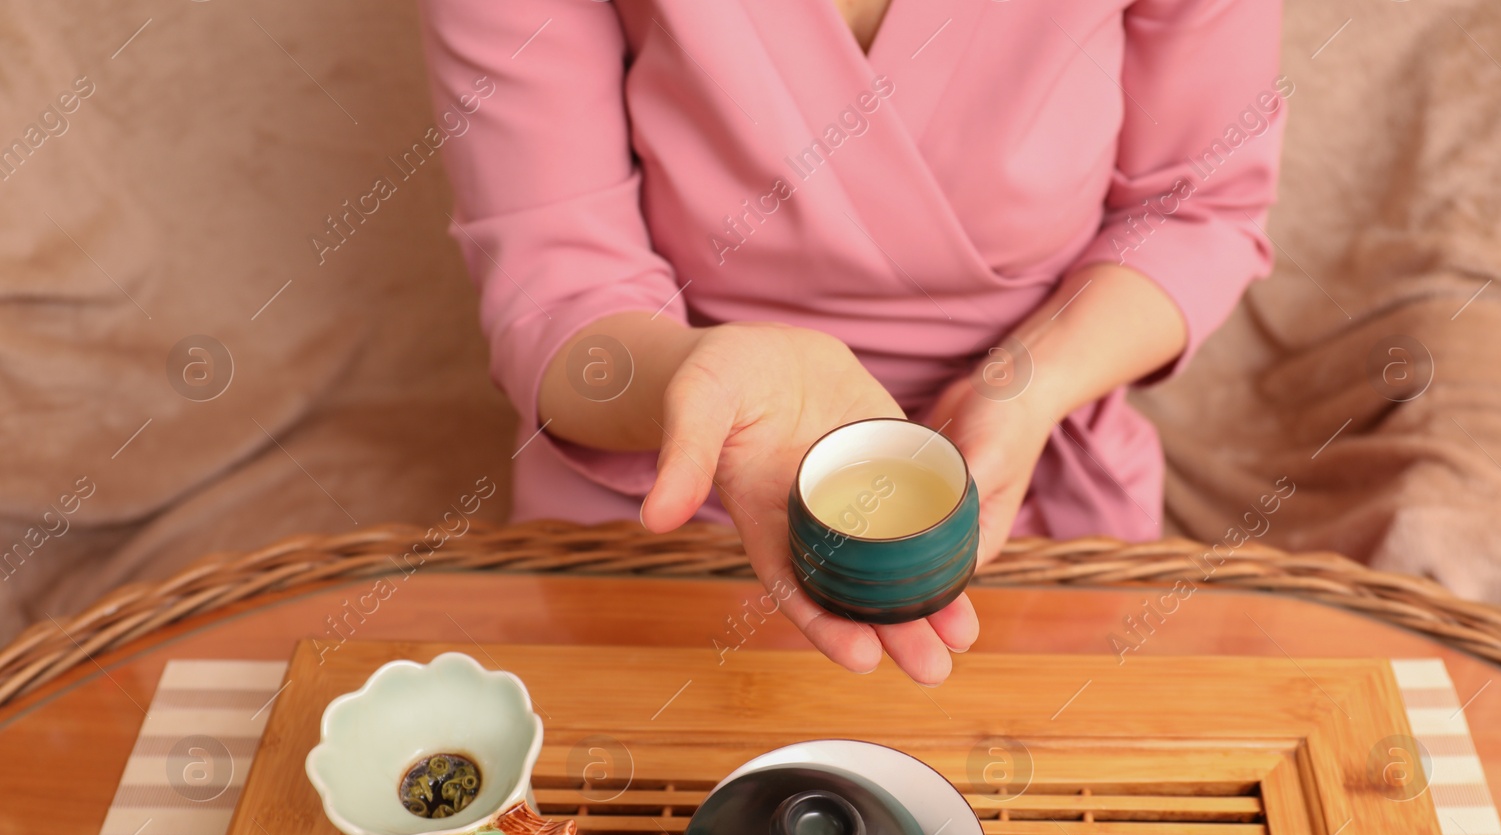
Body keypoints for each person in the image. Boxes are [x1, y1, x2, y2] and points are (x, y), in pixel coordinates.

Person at [417, 0, 1284, 686]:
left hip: (1033, 467)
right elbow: (557, 284)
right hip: (664, 459)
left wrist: (1026, 386)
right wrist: (699, 382)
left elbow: (1198, 209)